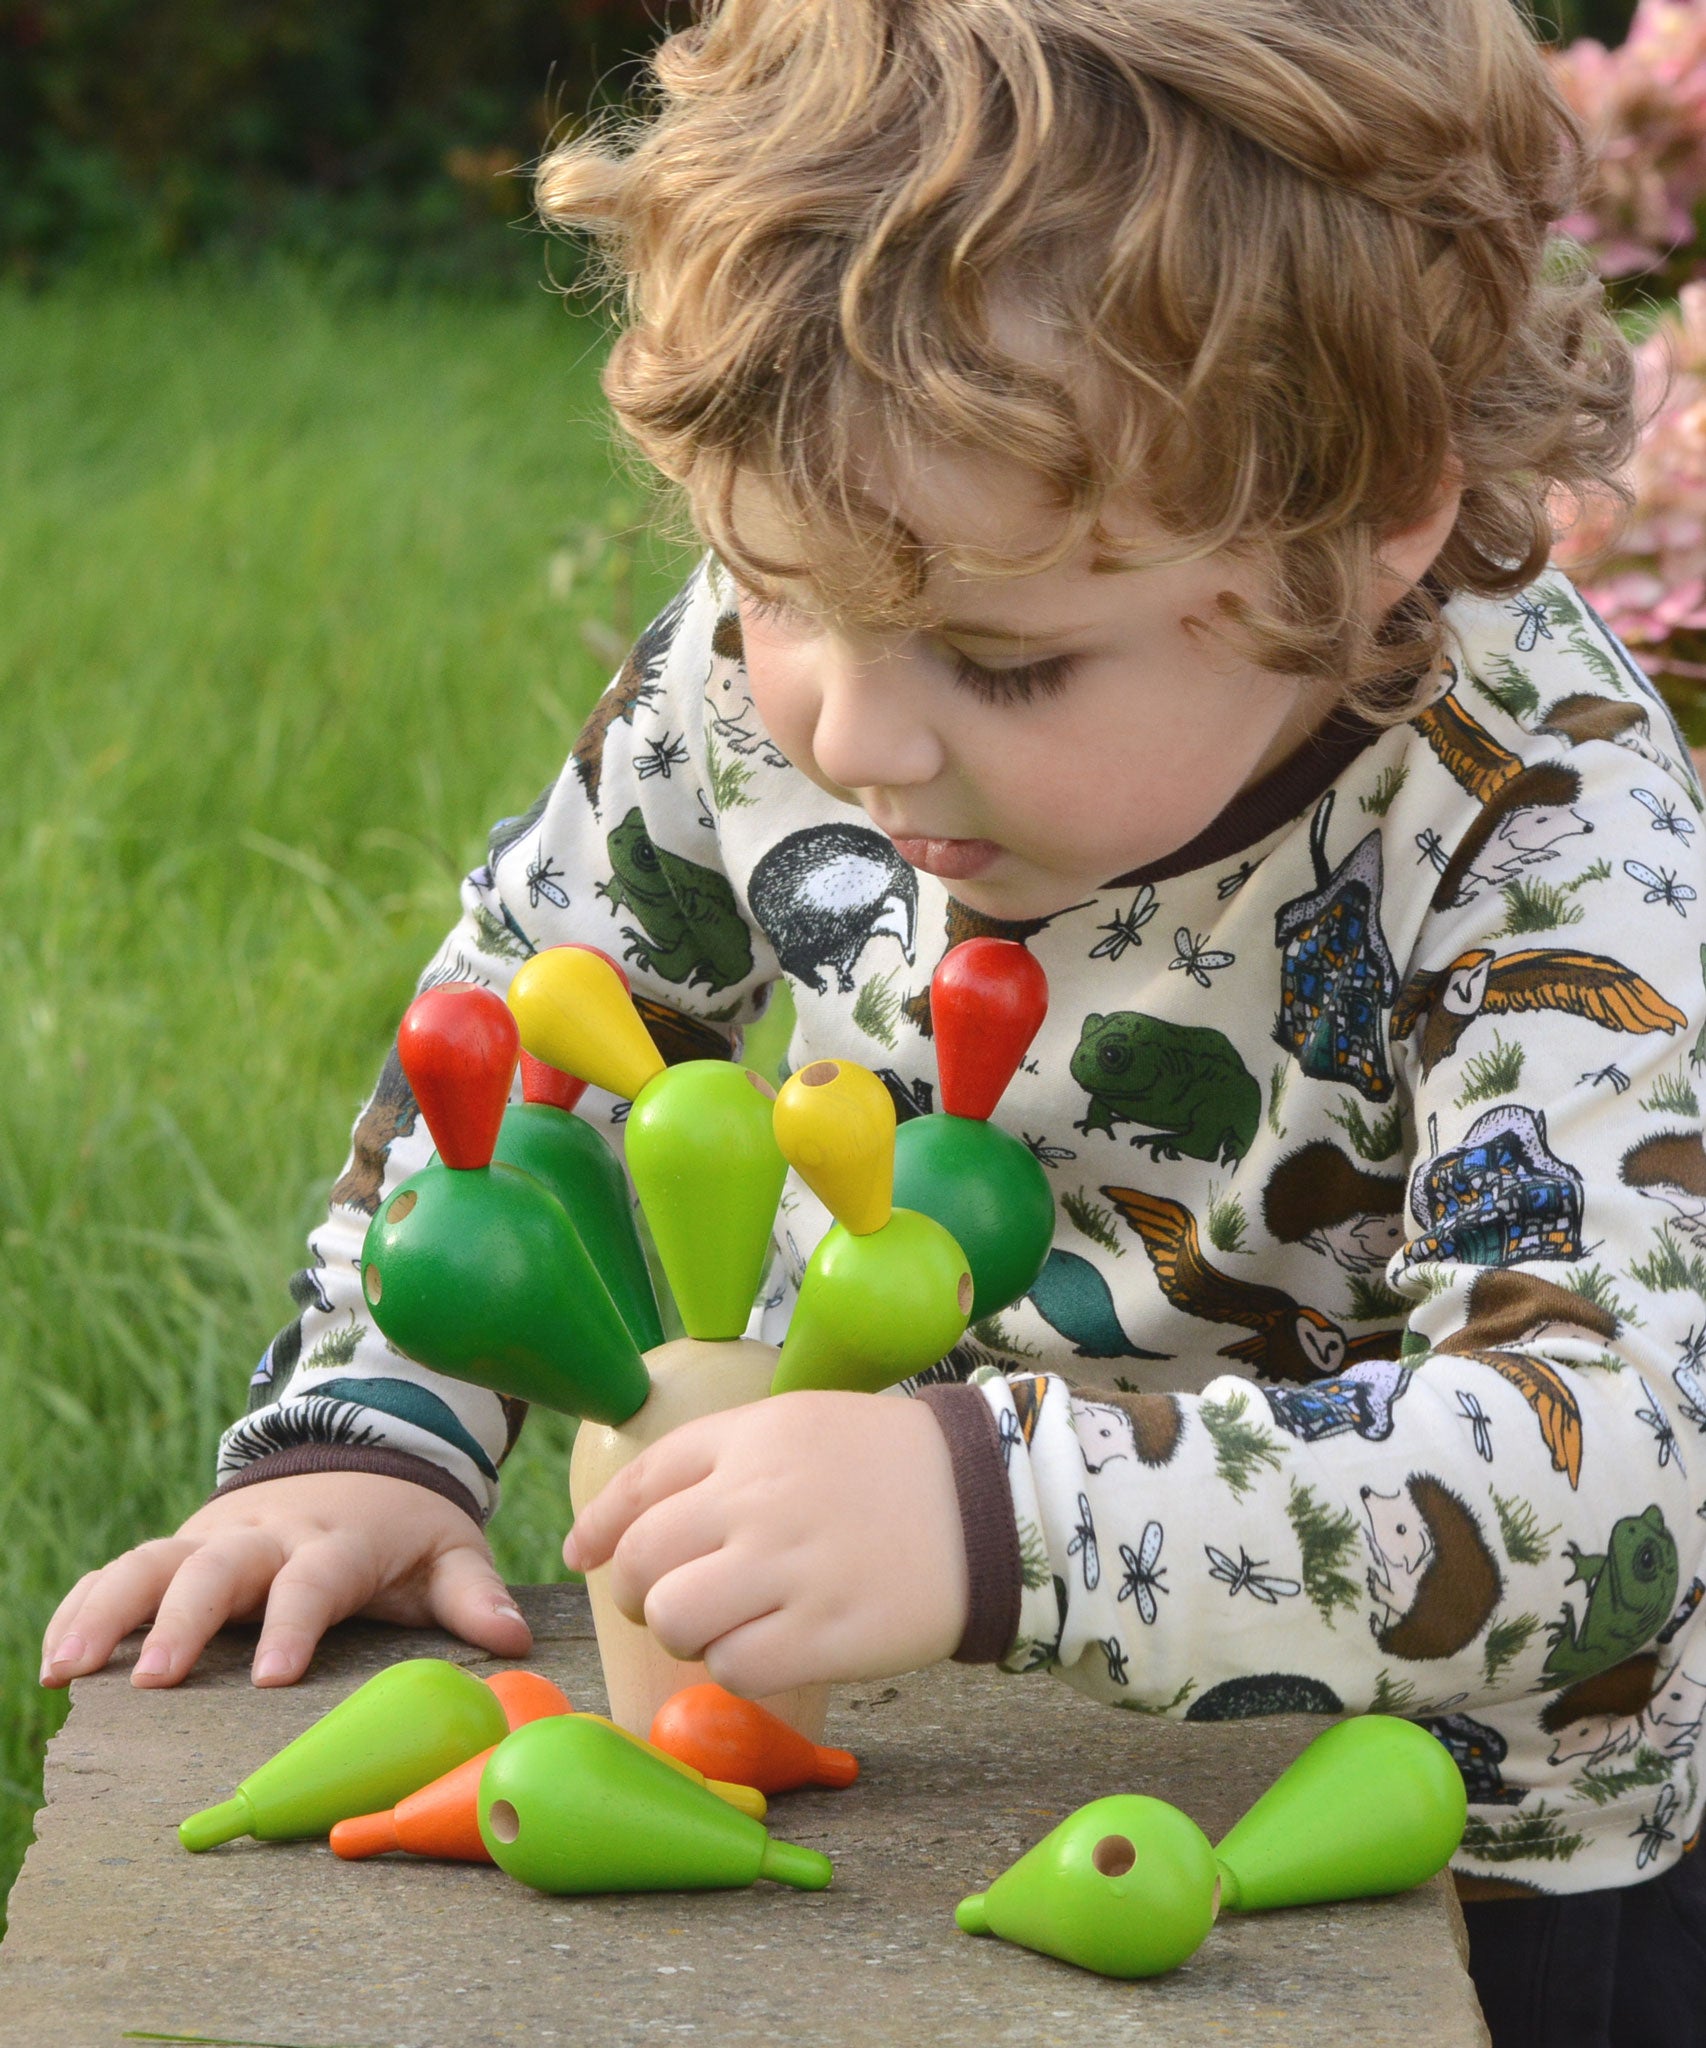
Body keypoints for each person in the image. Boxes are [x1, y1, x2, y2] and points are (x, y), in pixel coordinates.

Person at [42, 0, 1706, 2035]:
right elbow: (525, 1021)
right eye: (763, 583)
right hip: (869, 1718)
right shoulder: (819, 645)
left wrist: (984, 1509)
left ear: (1373, 527)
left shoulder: (1531, 817)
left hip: (1419, 1833)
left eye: (1003, 664)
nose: (844, 727)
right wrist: (372, 1423)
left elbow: (1609, 1458)